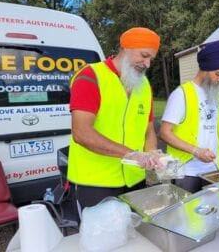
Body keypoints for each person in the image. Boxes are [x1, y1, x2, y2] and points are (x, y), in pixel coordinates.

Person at [67, 27, 163, 212]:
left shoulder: (144, 85)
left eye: (151, 58)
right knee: (104, 238)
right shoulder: (91, 76)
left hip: (135, 179)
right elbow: (81, 133)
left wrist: (153, 154)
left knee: (136, 236)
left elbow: (148, 128)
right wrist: (132, 154)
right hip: (96, 182)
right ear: (125, 48)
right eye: (144, 55)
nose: (147, 63)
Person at [159, 41, 219, 193]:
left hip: (214, 170)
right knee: (188, 214)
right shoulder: (182, 94)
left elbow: (217, 132)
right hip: (187, 172)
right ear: (205, 69)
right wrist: (196, 151)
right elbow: (164, 133)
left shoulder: (217, 96)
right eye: (218, 74)